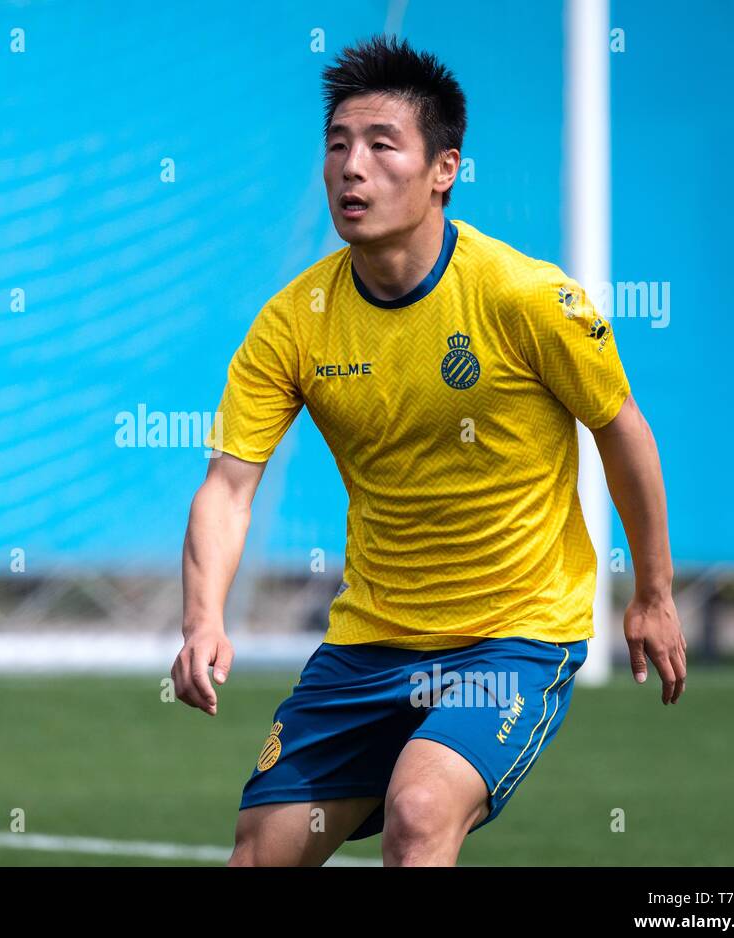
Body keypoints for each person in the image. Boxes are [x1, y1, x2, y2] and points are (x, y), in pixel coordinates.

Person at [171, 34, 686, 867]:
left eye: (382, 146)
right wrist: (202, 621)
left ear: (444, 168)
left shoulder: (526, 298)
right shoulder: (292, 323)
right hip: (369, 639)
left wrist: (653, 593)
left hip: (511, 636)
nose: (351, 168)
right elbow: (229, 488)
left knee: (418, 813)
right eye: (338, 145)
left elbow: (621, 430)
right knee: (261, 853)